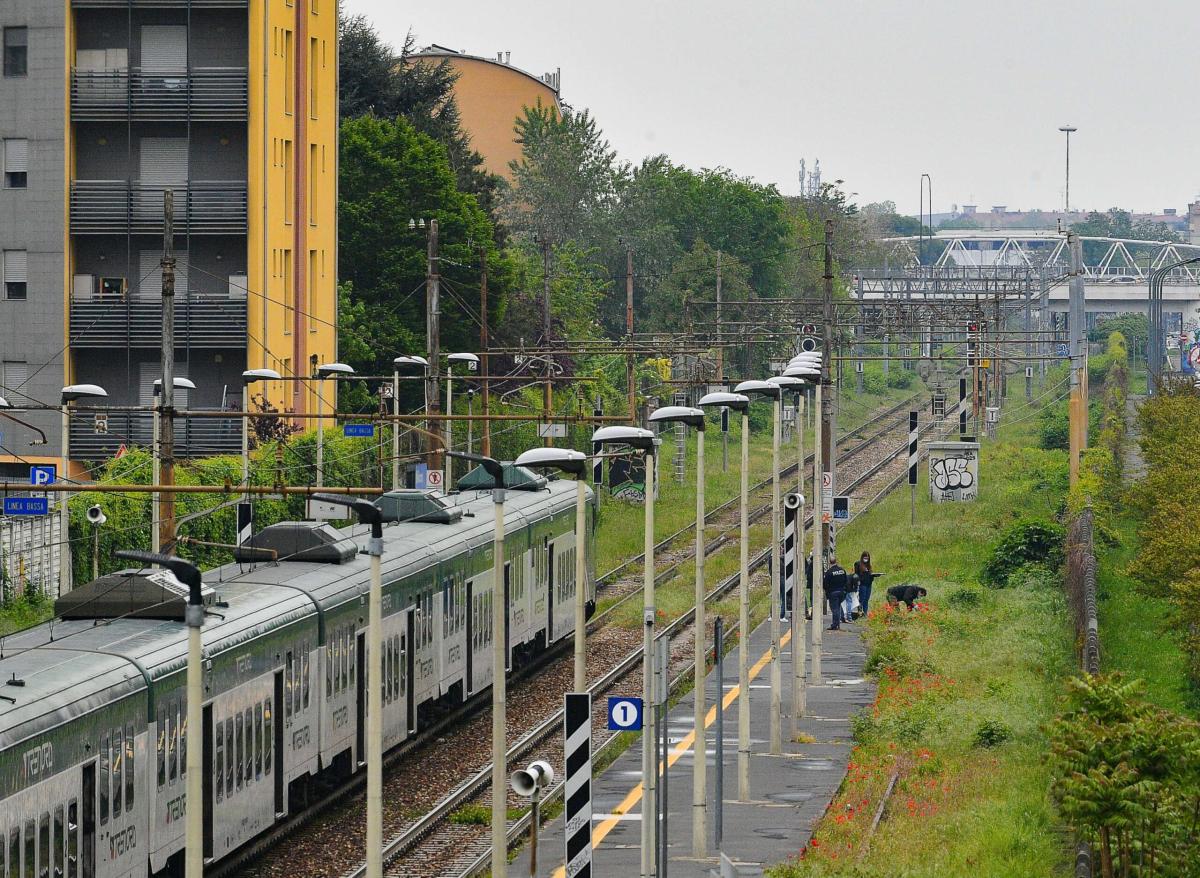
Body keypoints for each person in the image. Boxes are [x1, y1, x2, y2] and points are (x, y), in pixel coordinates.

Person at [823, 556, 849, 630]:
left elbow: (825, 583)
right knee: (838, 607)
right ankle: (838, 622)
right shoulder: (842, 570)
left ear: (829, 562)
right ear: (836, 561)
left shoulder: (829, 572)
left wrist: (827, 591)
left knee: (835, 609)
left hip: (833, 593)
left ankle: (835, 625)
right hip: (842, 592)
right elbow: (846, 581)